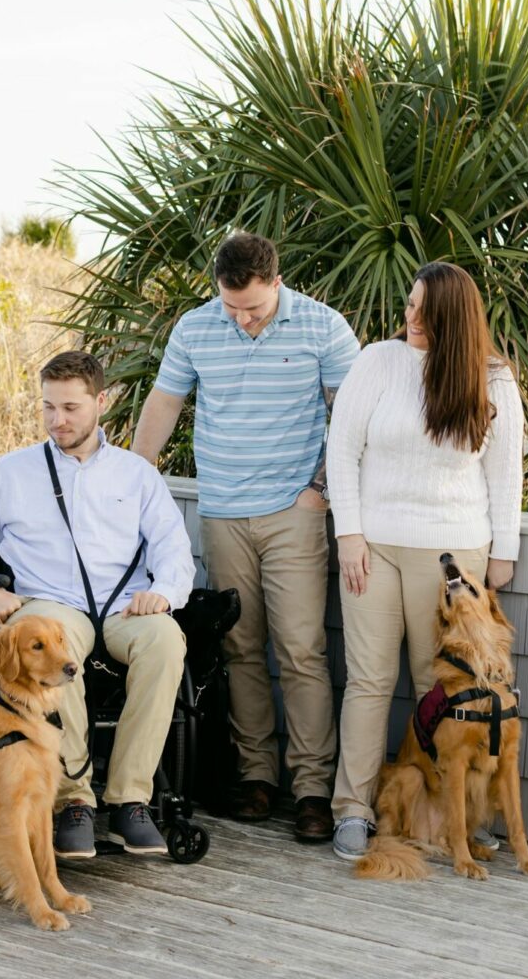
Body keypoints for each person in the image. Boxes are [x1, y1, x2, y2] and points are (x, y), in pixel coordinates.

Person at [132, 231, 361, 842]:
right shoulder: (196, 328)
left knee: (302, 649)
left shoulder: (323, 327)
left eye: (254, 307)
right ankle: (257, 776)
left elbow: (352, 419)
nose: (242, 317)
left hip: (295, 511)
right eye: (232, 306)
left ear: (276, 282)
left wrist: (320, 491)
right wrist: (132, 478)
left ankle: (312, 788)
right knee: (239, 649)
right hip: (223, 511)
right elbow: (164, 403)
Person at [0, 351, 196, 858]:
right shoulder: (13, 472)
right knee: (56, 646)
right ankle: (74, 800)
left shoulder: (136, 473)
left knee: (168, 641)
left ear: (101, 402)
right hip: (52, 604)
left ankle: (130, 800)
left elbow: (175, 551)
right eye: (47, 408)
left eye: (70, 408)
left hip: (127, 607)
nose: (57, 420)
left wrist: (164, 591)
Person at [327, 261, 523, 861]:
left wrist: (503, 556)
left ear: (453, 319)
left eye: (423, 310)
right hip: (374, 549)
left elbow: (504, 474)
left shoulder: (494, 382)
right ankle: (354, 809)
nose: (410, 317)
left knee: (444, 690)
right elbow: (342, 447)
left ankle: (457, 820)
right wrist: (350, 534)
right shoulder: (377, 362)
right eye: (408, 304)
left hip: (452, 555)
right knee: (368, 680)